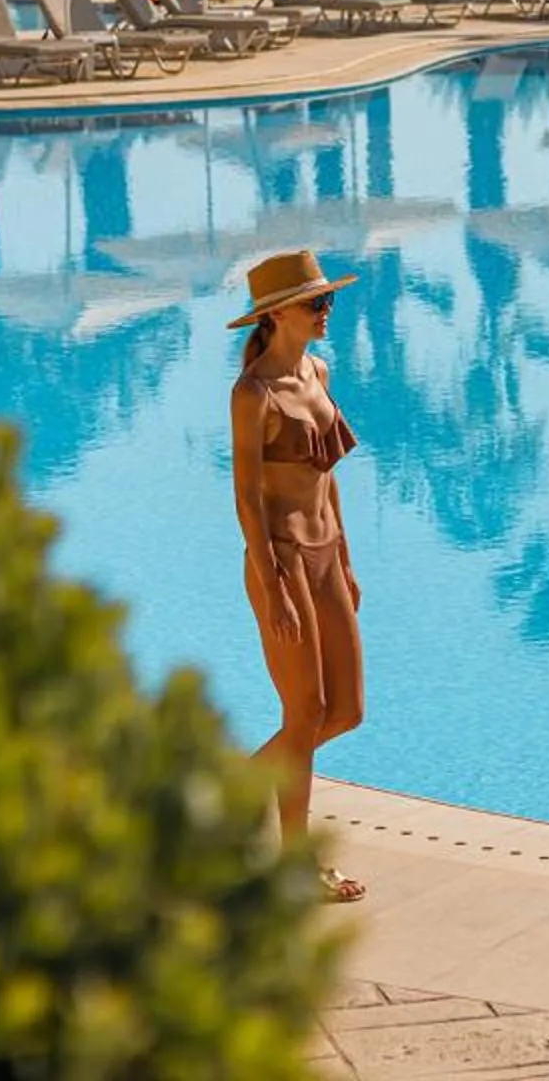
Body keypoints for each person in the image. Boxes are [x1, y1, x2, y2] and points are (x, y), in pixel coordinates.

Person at [227, 248, 368, 902]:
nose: (326, 311)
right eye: (316, 303)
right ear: (277, 314)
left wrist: (346, 558)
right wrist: (271, 581)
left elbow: (325, 474)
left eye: (328, 300)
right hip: (281, 559)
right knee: (304, 713)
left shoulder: (318, 370)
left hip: (326, 552)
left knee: (346, 711)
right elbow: (247, 497)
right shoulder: (252, 393)